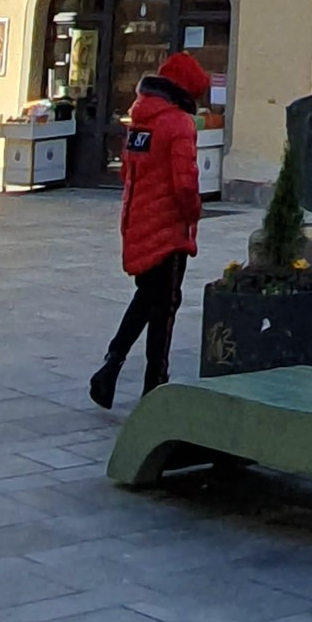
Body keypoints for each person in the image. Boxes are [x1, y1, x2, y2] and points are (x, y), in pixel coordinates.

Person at [89, 50, 206, 407]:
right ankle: (155, 383)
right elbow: (185, 183)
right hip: (168, 228)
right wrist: (192, 214)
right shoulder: (179, 124)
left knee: (146, 299)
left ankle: (110, 367)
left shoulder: (140, 121)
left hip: (139, 222)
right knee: (165, 306)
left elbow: (128, 172)